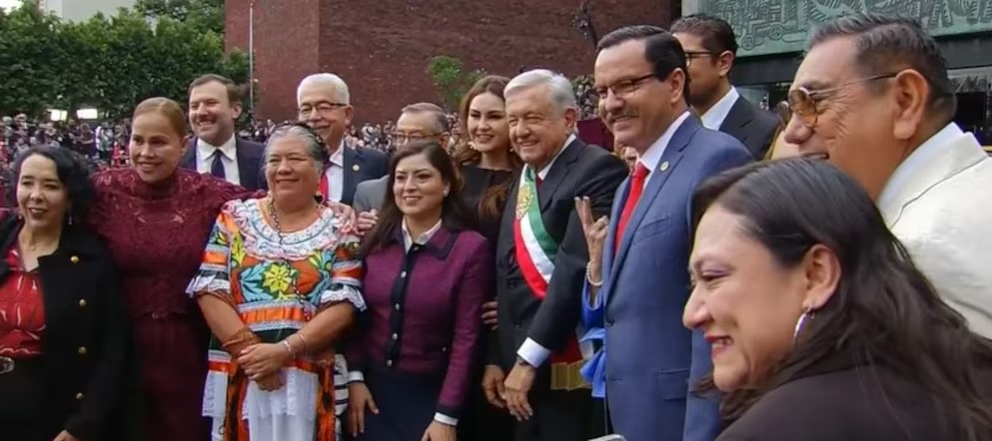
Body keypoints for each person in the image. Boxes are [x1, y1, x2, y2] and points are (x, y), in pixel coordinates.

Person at [684, 158, 992, 440]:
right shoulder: (966, 379)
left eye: (713, 277)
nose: (691, 314)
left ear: (817, 275)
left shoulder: (776, 429)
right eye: (693, 284)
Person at [580, 25, 752, 441]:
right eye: (602, 91)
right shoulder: (631, 182)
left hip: (684, 421)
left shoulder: (717, 159)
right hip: (633, 415)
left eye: (627, 86)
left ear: (675, 83)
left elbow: (724, 313)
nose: (611, 103)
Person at [783, 13, 992, 338]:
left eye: (812, 102)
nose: (792, 133)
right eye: (790, 110)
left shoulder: (918, 253)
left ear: (906, 102)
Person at [188, 123, 365, 440]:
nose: (283, 168)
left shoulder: (340, 226)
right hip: (245, 372)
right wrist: (254, 355)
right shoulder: (234, 217)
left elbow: (344, 302)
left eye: (295, 159)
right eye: (274, 160)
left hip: (309, 379)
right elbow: (210, 289)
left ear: (319, 169)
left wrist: (283, 351)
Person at [494, 69, 627, 441]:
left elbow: (572, 270)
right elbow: (506, 275)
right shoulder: (526, 175)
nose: (520, 131)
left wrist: (528, 358)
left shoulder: (598, 169)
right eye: (513, 120)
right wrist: (497, 357)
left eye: (532, 118)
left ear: (569, 119)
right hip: (518, 372)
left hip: (568, 367)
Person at [346, 140, 489, 441]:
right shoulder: (376, 241)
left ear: (446, 185)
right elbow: (357, 315)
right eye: (401, 177)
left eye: (422, 176)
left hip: (432, 396)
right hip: (370, 394)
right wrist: (355, 377)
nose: (409, 186)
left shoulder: (469, 248)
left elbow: (467, 337)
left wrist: (446, 416)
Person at [0, 146, 140, 441]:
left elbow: (112, 352)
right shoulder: (3, 240)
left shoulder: (91, 261)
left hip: (50, 414)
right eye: (27, 183)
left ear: (70, 197)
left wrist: (83, 424)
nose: (35, 195)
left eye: (50, 186)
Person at [451, 75, 519, 441]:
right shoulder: (451, 175)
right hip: (447, 317)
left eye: (494, 116)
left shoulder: (527, 180)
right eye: (474, 115)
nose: (481, 126)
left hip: (497, 320)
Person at [672, 14, 778, 159]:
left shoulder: (768, 131)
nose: (676, 70)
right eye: (672, 60)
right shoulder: (670, 130)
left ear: (723, 63)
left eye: (686, 58)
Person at [297, 73, 389, 205]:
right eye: (305, 109)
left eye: (324, 108)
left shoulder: (375, 164)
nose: (313, 117)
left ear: (347, 114)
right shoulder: (283, 166)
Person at [353, 102, 451, 213]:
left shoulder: (464, 190)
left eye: (415, 137)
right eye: (400, 136)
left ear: (443, 141)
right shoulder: (371, 193)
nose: (405, 144)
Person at [181, 74, 267, 191]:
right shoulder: (176, 160)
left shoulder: (263, 157)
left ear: (236, 110)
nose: (201, 112)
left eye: (210, 103)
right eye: (194, 106)